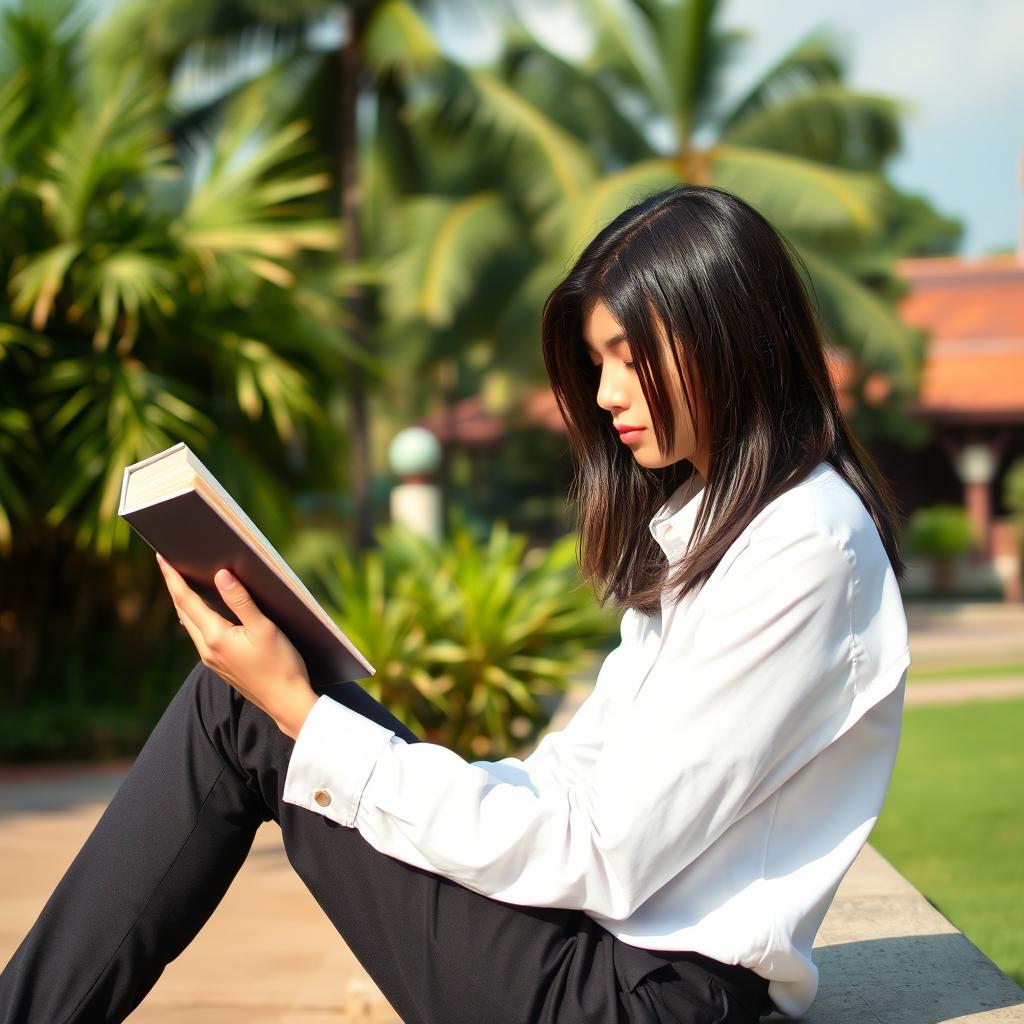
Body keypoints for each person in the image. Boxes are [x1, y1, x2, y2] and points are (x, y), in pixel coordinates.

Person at [0, 184, 911, 1024]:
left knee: (250, 712)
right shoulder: (719, 529)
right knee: (259, 709)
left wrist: (303, 715)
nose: (604, 397)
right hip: (609, 956)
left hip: (649, 999)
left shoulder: (804, 546)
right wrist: (366, 743)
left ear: (729, 339)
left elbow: (605, 850)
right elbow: (574, 781)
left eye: (631, 360)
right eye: (598, 362)